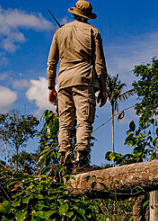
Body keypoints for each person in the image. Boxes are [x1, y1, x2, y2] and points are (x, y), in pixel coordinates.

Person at [47, 0, 107, 172]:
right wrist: (103, 88)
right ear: (88, 16)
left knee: (65, 123)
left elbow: (52, 62)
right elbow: (99, 64)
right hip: (84, 80)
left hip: (64, 82)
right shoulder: (93, 32)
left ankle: (63, 160)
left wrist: (51, 86)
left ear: (73, 13)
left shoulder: (60, 32)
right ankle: (81, 160)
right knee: (83, 121)